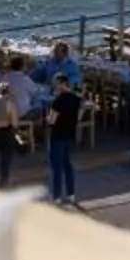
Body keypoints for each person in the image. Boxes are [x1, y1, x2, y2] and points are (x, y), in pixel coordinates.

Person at [44, 75, 82, 205]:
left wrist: (47, 119)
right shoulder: (76, 99)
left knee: (57, 167)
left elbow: (52, 120)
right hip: (69, 135)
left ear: (61, 84)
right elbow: (79, 116)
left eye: (56, 84)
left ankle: (57, 196)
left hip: (57, 135)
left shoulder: (58, 101)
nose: (54, 87)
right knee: (67, 165)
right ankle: (71, 194)